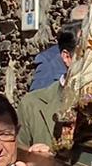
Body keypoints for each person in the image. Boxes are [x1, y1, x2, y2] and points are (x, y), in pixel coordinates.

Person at [18, 23, 78, 151]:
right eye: (87, 53)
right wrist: (38, 159)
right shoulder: (32, 105)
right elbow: (16, 159)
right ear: (67, 57)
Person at [28, 5, 88, 92]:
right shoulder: (49, 61)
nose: (82, 29)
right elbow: (37, 100)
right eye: (77, 24)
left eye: (86, 24)